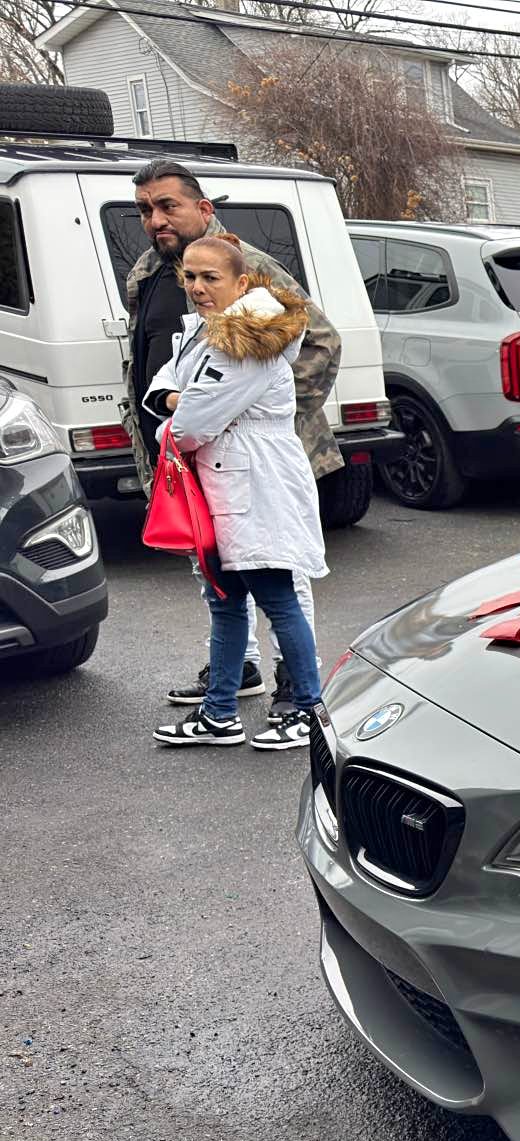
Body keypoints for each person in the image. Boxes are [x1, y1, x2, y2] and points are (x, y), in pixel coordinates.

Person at [123, 159, 340, 718]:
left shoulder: (247, 268)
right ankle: (236, 670)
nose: (156, 219)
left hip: (248, 456)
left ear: (203, 208)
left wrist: (259, 419)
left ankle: (296, 687)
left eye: (168, 205)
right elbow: (162, 362)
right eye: (146, 209)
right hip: (189, 457)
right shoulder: (152, 269)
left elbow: (319, 341)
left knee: (278, 574)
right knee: (217, 574)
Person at [147, 235, 327, 751]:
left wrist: (170, 422)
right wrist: (176, 400)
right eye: (190, 276)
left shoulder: (250, 340)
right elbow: (161, 386)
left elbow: (195, 419)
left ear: (242, 283)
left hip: (256, 483)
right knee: (224, 601)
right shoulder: (204, 335)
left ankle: (309, 712)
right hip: (219, 483)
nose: (198, 287)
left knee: (276, 597)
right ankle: (219, 712)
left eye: (211, 278)